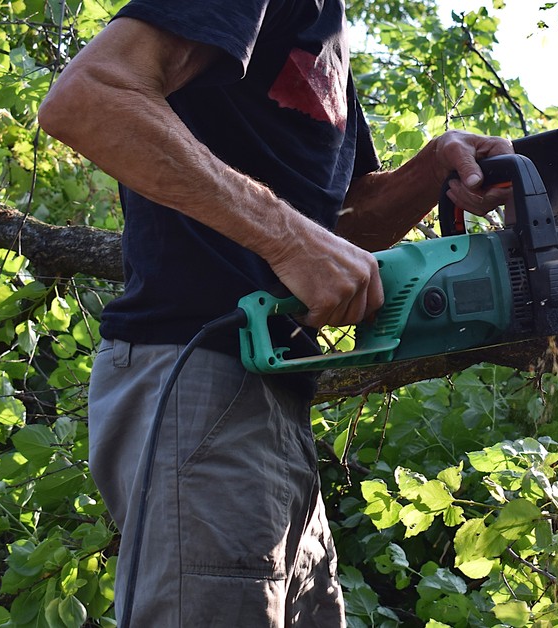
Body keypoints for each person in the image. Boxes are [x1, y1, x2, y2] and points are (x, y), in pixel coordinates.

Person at [38, 0, 512, 625]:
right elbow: (89, 97)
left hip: (276, 404)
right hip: (198, 381)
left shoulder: (325, 28)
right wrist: (289, 240)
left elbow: (343, 223)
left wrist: (432, 169)